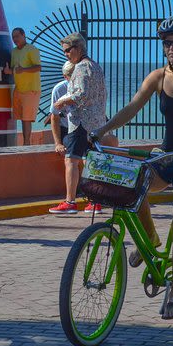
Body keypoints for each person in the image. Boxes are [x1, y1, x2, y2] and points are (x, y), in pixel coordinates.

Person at [91, 16, 173, 320]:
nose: (171, 48)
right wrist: (100, 130)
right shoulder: (158, 76)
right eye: (167, 43)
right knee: (131, 192)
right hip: (168, 156)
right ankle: (150, 239)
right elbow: (132, 107)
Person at [49, 33, 107, 215]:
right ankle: (95, 202)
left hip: (81, 121)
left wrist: (62, 102)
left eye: (67, 50)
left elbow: (81, 95)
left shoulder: (81, 67)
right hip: (97, 121)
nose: (65, 54)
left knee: (71, 161)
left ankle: (70, 202)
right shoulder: (95, 66)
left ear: (78, 48)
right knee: (94, 161)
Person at [3, 27, 41, 145]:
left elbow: (38, 67)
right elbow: (16, 68)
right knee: (19, 117)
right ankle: (25, 144)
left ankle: (26, 144)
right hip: (19, 89)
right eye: (13, 37)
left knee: (26, 119)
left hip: (31, 89)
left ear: (24, 35)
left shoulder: (32, 49)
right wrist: (9, 71)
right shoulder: (14, 51)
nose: (15, 39)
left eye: (17, 36)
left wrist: (24, 69)